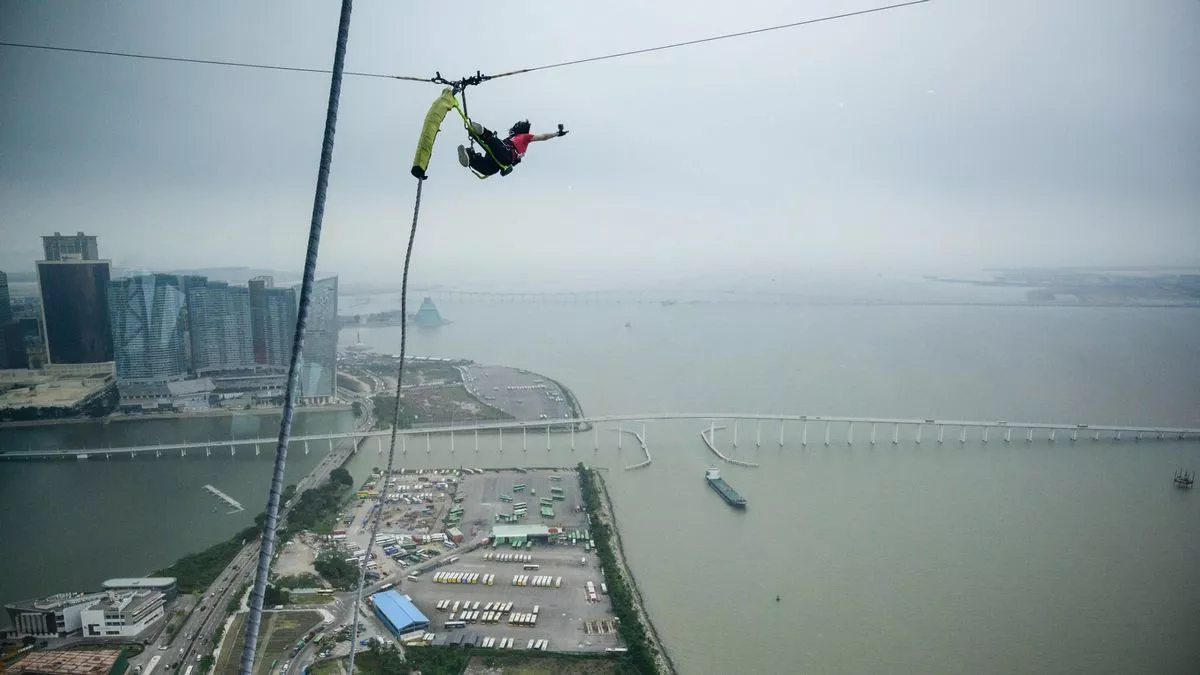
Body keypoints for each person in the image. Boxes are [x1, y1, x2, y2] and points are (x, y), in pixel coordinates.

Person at [457, 120, 568, 177]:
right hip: (502, 159)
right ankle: (471, 157)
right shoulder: (511, 139)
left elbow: (543, 137)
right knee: (488, 169)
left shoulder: (525, 137)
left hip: (505, 154)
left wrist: (556, 133)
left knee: (491, 142)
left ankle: (480, 138)